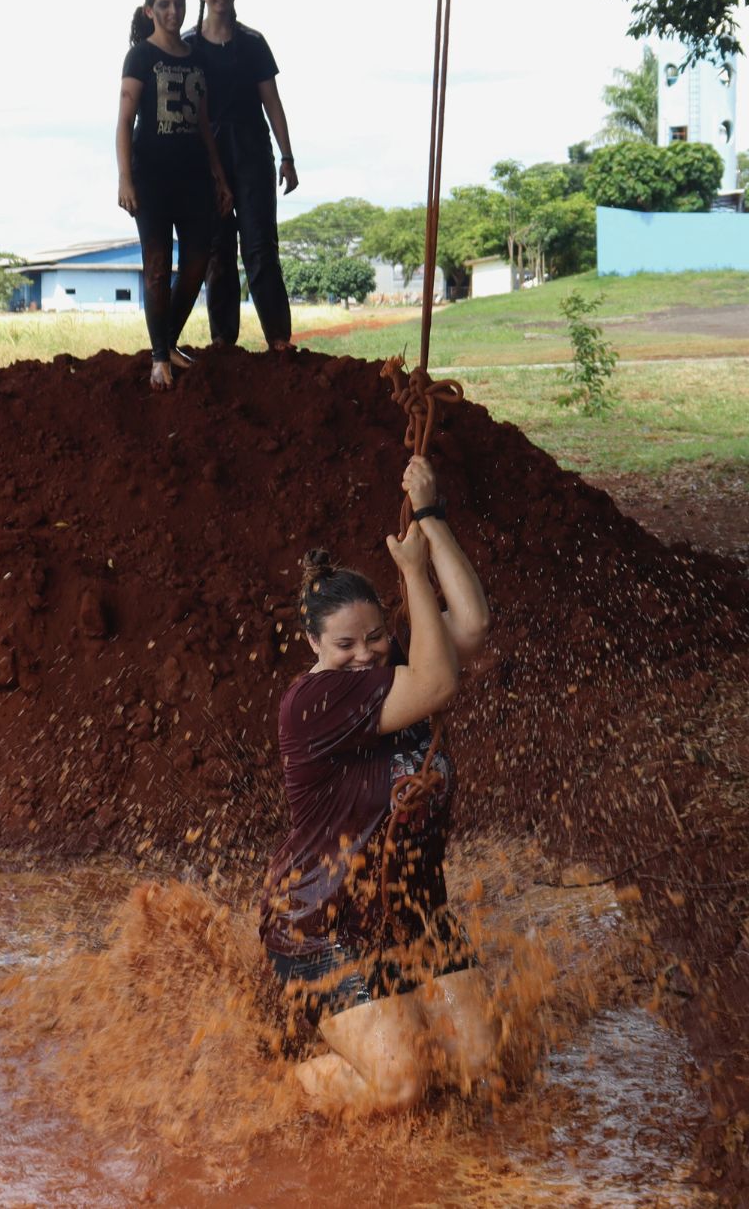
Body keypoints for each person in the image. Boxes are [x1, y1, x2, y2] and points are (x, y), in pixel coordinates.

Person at [260, 455, 495, 1113]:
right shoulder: (315, 702)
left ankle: (386, 1016)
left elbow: (473, 627)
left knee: (478, 1065)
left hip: (412, 913)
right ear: (313, 643)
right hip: (324, 924)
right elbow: (438, 684)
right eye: (345, 644)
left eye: (375, 637)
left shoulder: (393, 669)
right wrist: (413, 571)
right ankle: (285, 1084)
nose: (364, 654)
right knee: (402, 1084)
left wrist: (431, 516)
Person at [116, 0, 234, 390]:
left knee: (198, 263)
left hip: (194, 177)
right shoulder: (140, 57)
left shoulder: (195, 59)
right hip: (151, 177)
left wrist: (219, 176)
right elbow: (124, 121)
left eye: (179, 4)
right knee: (156, 266)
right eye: (164, 4)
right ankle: (159, 358)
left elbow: (203, 123)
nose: (173, 11)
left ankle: (167, 341)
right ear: (150, 10)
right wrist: (125, 178)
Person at [186, 0, 297, 353]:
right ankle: (222, 341)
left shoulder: (253, 42)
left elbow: (272, 101)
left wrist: (287, 157)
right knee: (217, 249)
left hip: (251, 152)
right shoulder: (188, 45)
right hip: (206, 156)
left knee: (260, 246)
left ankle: (278, 339)